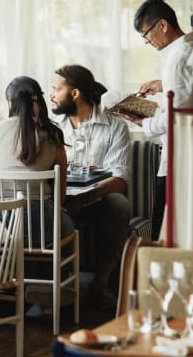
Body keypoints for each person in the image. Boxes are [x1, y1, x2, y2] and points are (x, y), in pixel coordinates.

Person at [128, 0, 193, 240]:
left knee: (165, 229)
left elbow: (175, 117)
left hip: (180, 155)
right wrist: (163, 85)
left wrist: (142, 121)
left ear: (163, 25)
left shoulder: (177, 59)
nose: (146, 40)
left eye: (145, 33)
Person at [49, 64, 131, 310]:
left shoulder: (115, 127)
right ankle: (54, 288)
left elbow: (120, 179)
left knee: (118, 204)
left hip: (95, 201)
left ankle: (101, 284)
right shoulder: (51, 127)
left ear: (75, 93)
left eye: (56, 89)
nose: (51, 95)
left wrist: (83, 199)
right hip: (59, 199)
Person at [0, 75, 74, 237]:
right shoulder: (52, 135)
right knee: (72, 223)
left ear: (10, 103)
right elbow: (60, 196)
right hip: (38, 227)